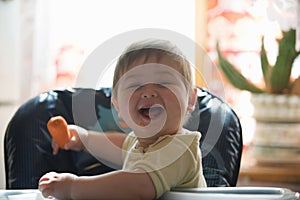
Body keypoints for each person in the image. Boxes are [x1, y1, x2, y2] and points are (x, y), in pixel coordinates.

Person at [38, 39, 207, 200]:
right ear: (117, 106)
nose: (148, 92)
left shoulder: (180, 148)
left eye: (163, 82)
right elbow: (118, 145)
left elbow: (137, 187)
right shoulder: (139, 143)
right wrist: (84, 138)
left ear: (190, 100)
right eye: (135, 85)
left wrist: (73, 187)